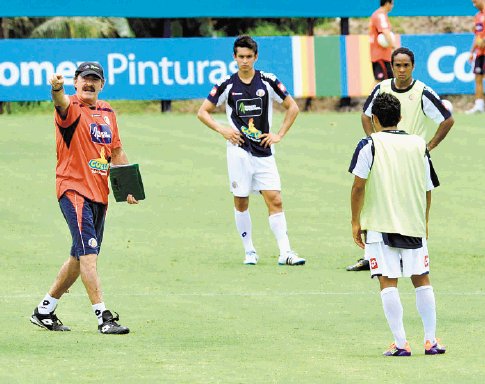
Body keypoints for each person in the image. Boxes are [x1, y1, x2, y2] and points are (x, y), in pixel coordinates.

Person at [30, 62, 138, 334]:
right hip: (74, 190)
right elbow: (59, 100)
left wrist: (128, 186)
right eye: (85, 79)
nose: (89, 84)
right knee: (89, 255)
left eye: (95, 80)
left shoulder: (108, 112)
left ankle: (44, 309)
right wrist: (56, 87)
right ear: (76, 82)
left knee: (79, 258)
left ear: (102, 85)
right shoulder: (70, 108)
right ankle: (104, 318)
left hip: (100, 194)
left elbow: (116, 151)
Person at [349, 92, 446, 356]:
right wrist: (424, 220)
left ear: (375, 119)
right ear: (401, 117)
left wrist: (355, 221)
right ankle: (431, 341)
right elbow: (428, 188)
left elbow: (358, 186)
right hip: (413, 223)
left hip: (380, 226)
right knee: (421, 278)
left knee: (387, 281)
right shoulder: (418, 145)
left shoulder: (369, 144)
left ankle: (401, 343)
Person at [197, 35, 305, 266]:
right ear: (234, 57)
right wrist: (222, 129)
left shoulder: (268, 81)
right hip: (238, 151)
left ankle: (285, 252)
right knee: (241, 200)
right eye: (240, 57)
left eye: (249, 57)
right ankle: (249, 251)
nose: (244, 61)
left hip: (264, 151)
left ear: (256, 57)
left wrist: (279, 134)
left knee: (275, 199)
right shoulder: (227, 84)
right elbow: (202, 112)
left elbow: (292, 107)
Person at [346, 47, 454, 271]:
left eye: (406, 65)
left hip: (412, 156)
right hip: (384, 154)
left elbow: (447, 119)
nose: (402, 70)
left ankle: (416, 248)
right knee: (375, 199)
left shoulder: (422, 91)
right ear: (392, 66)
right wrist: (374, 139)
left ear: (413, 66)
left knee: (411, 199)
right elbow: (366, 115)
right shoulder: (382, 87)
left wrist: (429, 146)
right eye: (398, 65)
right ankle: (370, 255)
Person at [369, 0, 396, 84]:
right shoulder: (380, 15)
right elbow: (385, 32)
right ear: (387, 3)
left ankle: (373, 97)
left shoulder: (377, 14)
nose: (393, 6)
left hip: (378, 55)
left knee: (380, 82)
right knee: (384, 82)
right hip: (381, 55)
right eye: (392, 3)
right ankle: (372, 97)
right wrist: (393, 46)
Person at [466, 0, 485, 114]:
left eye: (475, 1)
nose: (474, 5)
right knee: (478, 77)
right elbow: (477, 36)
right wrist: (472, 52)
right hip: (480, 53)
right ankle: (479, 105)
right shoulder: (477, 16)